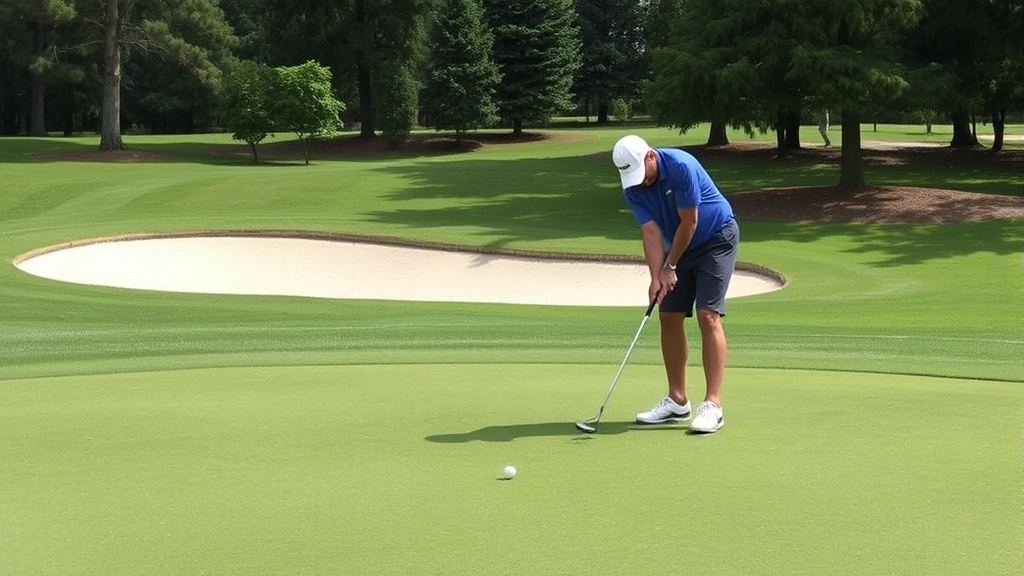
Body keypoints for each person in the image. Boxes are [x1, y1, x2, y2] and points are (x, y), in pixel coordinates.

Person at [611, 135, 739, 433]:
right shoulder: (632, 185)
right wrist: (656, 276)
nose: (640, 181)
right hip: (679, 247)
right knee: (668, 315)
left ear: (650, 156)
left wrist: (669, 267)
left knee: (708, 315)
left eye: (642, 173)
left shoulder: (681, 166)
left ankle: (713, 405)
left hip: (716, 238)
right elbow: (651, 232)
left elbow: (689, 222)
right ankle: (677, 400)